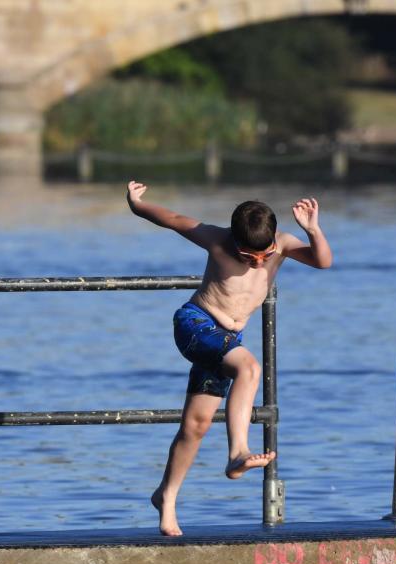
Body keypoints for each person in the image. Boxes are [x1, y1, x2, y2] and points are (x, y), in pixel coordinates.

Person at [126, 180, 333, 536]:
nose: (256, 263)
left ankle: (166, 498)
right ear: (233, 241)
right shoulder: (216, 239)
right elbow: (173, 219)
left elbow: (322, 261)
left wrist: (313, 230)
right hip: (195, 324)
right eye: (246, 256)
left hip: (225, 340)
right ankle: (238, 451)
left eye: (263, 257)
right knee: (249, 367)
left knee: (196, 425)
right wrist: (136, 204)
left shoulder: (281, 245)